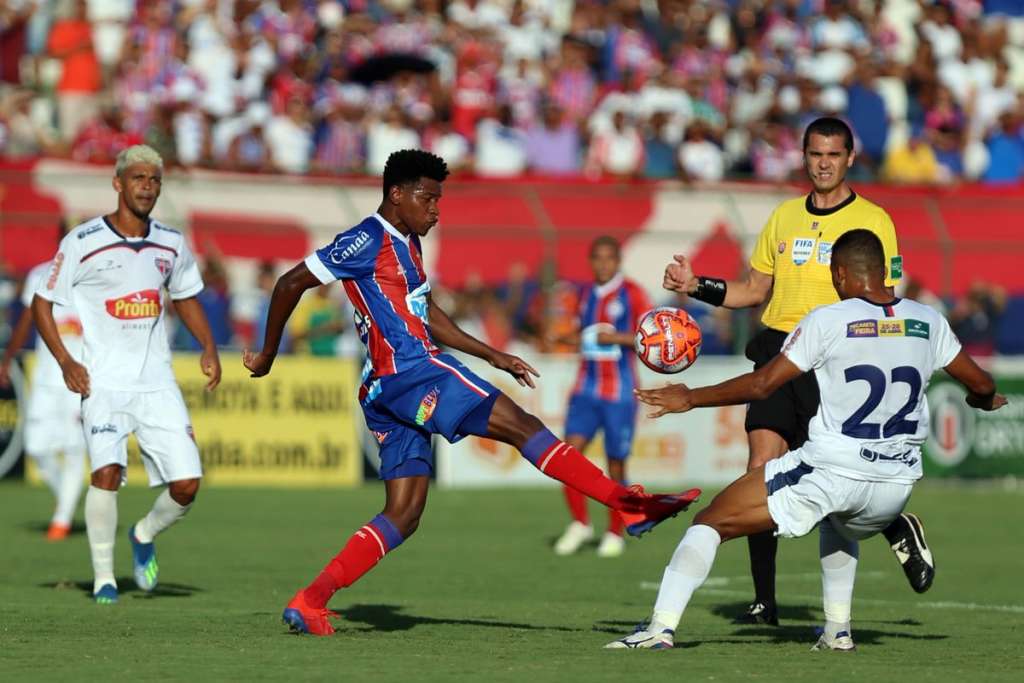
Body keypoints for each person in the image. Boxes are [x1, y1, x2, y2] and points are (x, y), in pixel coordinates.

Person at [242, 149, 699, 636]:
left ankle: (310, 600)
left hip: (384, 388)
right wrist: (269, 353)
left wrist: (491, 354)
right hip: (413, 372)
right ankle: (625, 504)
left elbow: (428, 314)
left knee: (405, 512)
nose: (436, 210)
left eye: (439, 200)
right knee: (523, 426)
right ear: (395, 194)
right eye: (427, 198)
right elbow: (292, 281)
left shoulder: (409, 243)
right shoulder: (367, 238)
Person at [608, 229, 1007, 651]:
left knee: (709, 523)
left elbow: (763, 384)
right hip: (894, 488)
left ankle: (658, 629)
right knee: (839, 522)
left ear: (840, 274)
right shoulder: (928, 320)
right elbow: (982, 383)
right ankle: (837, 631)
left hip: (834, 471)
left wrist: (689, 397)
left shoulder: (828, 319)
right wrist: (979, 400)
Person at [662, 117, 929, 627]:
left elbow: (887, 297)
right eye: (814, 154)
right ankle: (765, 600)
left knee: (836, 482)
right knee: (759, 472)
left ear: (850, 158)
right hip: (777, 354)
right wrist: (695, 285)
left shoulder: (875, 219)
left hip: (835, 362)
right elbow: (752, 291)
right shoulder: (783, 217)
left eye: (833, 154)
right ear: (803, 157)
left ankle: (894, 525)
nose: (823, 163)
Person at [32, 145, 221, 604]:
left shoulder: (171, 242)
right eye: (138, 178)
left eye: (154, 180)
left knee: (187, 485)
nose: (147, 187)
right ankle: (104, 580)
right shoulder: (82, 241)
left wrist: (209, 346)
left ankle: (142, 534)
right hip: (102, 382)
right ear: (118, 183)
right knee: (106, 473)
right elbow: (42, 304)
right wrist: (66, 361)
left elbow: (186, 296)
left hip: (157, 383)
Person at [552, 236, 653, 558]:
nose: (603, 264)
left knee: (616, 465)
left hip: (619, 394)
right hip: (585, 389)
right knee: (566, 456)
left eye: (609, 258)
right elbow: (586, 333)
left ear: (618, 260)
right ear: (591, 260)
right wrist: (566, 337)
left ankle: (615, 530)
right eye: (597, 258)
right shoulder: (582, 294)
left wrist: (618, 337)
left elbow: (652, 338)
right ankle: (580, 523)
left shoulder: (632, 293)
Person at [0, 223, 86, 541]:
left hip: (80, 376)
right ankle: (67, 493)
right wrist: (8, 358)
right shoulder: (40, 274)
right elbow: (27, 319)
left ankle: (62, 519)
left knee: (74, 446)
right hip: (48, 376)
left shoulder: (97, 277)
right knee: (37, 447)